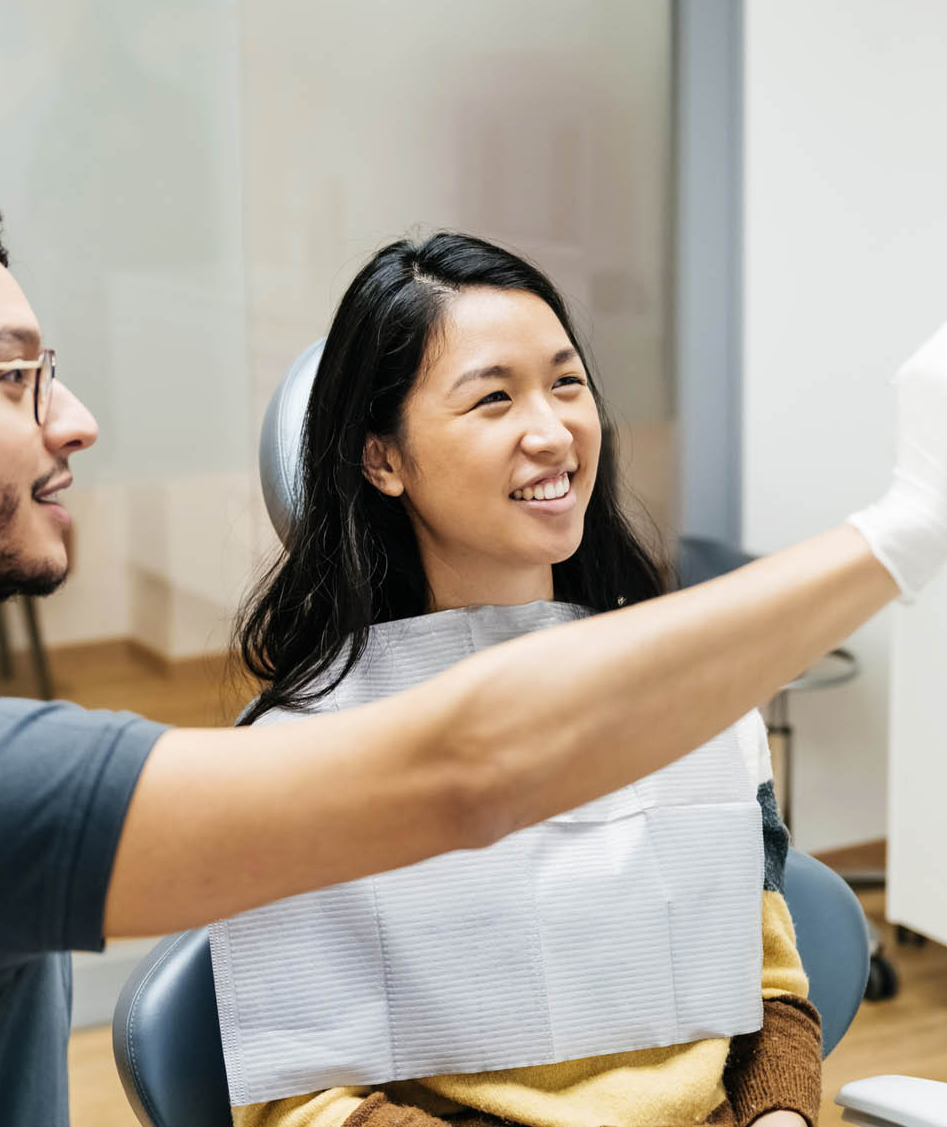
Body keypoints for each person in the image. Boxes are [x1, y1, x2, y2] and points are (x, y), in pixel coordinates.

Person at [0, 159, 947, 1127]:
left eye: (568, 381)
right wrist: (907, 526)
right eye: (17, 377)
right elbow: (466, 768)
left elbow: (764, 980)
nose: (79, 421)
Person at [223, 232, 820, 1127]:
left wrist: (779, 1119)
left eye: (567, 383)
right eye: (494, 398)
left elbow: (771, 996)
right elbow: (302, 1103)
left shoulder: (689, 699)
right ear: (382, 458)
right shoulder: (303, 753)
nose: (552, 431)